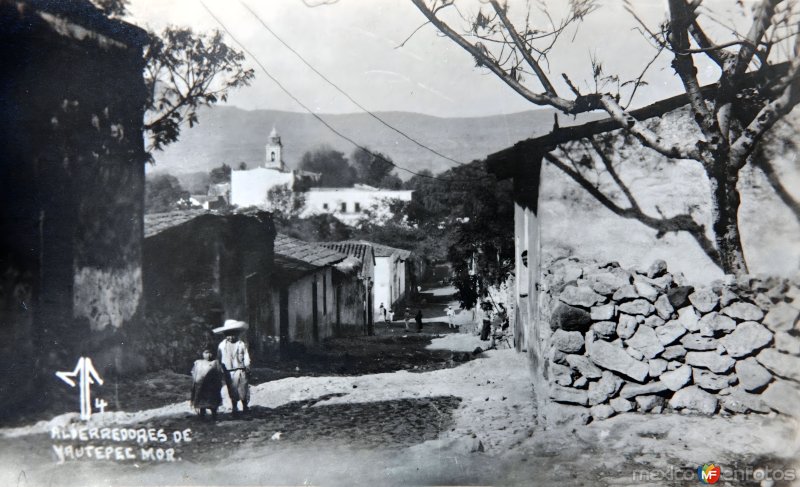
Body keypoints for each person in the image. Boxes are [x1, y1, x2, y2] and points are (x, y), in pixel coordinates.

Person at [214, 319, 251, 416]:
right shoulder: (222, 345)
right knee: (232, 389)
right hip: (228, 370)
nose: (230, 337)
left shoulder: (241, 344)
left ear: (237, 334)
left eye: (233, 334)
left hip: (240, 369)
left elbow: (246, 355)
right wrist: (219, 368)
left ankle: (245, 406)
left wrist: (247, 365)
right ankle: (234, 407)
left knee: (242, 388)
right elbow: (219, 357)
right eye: (228, 335)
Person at [190, 346, 223, 420]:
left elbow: (219, 374)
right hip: (201, 386)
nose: (208, 355)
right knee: (202, 401)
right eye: (206, 353)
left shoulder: (215, 363)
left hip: (211, 387)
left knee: (212, 401)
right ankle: (202, 415)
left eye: (210, 353)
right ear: (202, 354)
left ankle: (214, 415)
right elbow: (193, 373)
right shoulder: (198, 363)